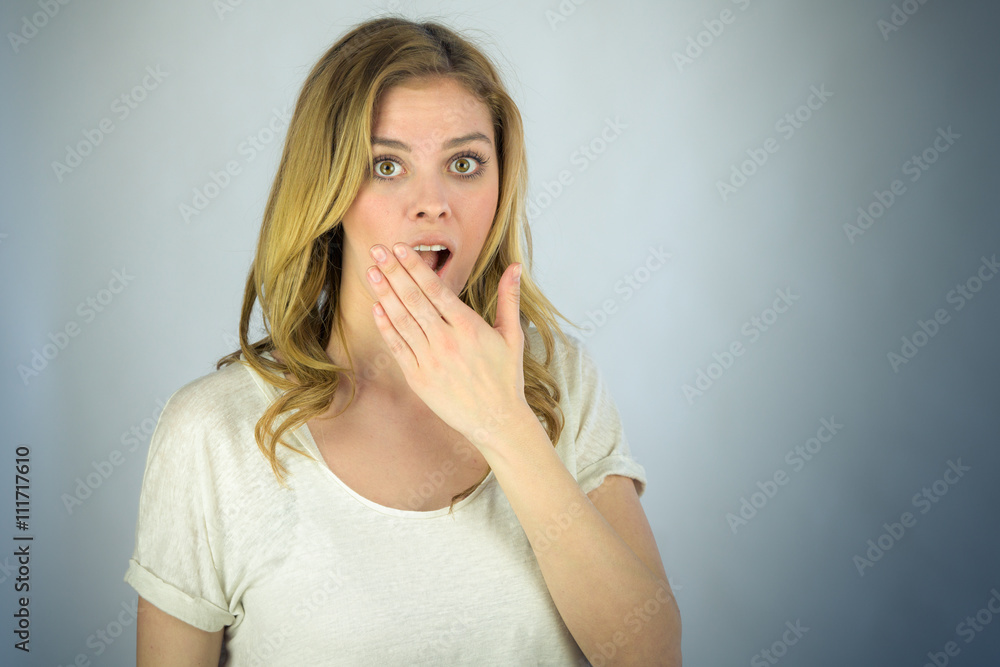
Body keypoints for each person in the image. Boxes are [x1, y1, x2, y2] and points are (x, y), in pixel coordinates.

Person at [124, 15, 681, 666]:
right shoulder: (211, 430)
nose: (432, 202)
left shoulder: (561, 382)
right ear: (327, 191)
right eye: (386, 165)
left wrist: (504, 424)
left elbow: (650, 656)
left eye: (465, 163)